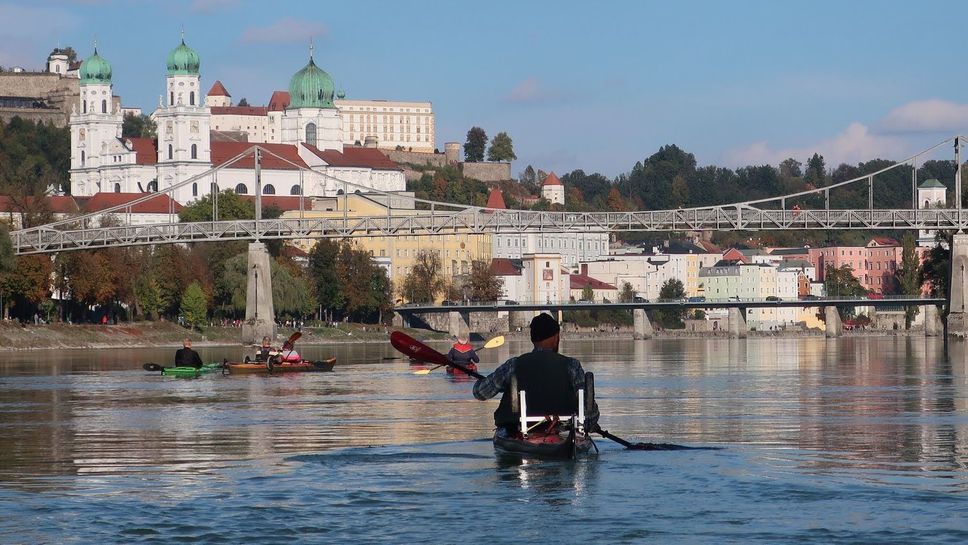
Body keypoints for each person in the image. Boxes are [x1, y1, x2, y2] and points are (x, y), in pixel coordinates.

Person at [473, 313, 599, 435]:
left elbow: (480, 393)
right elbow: (590, 412)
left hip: (518, 430)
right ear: (556, 337)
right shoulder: (572, 365)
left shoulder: (513, 365)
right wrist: (590, 423)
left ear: (532, 339)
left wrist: (492, 383)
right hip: (561, 429)